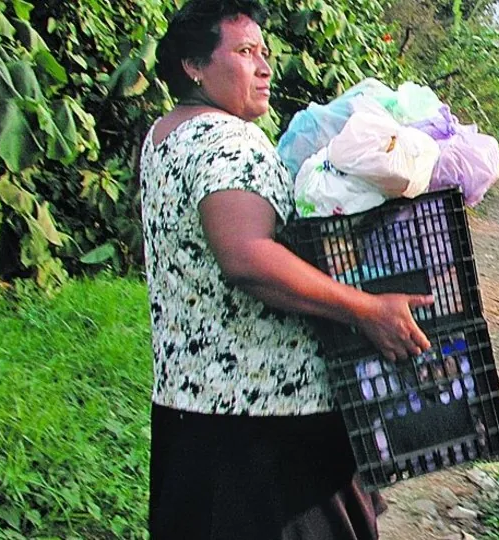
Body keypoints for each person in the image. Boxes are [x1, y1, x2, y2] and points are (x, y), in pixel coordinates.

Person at [141, 0, 432, 537]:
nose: (264, 66)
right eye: (245, 52)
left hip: (193, 407)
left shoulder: (166, 134)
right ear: (194, 66)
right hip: (270, 424)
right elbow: (248, 258)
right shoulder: (223, 139)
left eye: (264, 51)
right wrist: (367, 309)